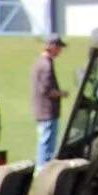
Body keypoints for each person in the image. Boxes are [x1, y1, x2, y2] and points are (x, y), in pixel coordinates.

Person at [29, 35, 65, 166]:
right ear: (53, 46)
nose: (60, 51)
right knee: (46, 145)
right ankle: (42, 171)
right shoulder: (46, 65)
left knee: (44, 142)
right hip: (47, 111)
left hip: (40, 110)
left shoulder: (38, 62)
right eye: (59, 47)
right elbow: (47, 91)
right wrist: (62, 94)